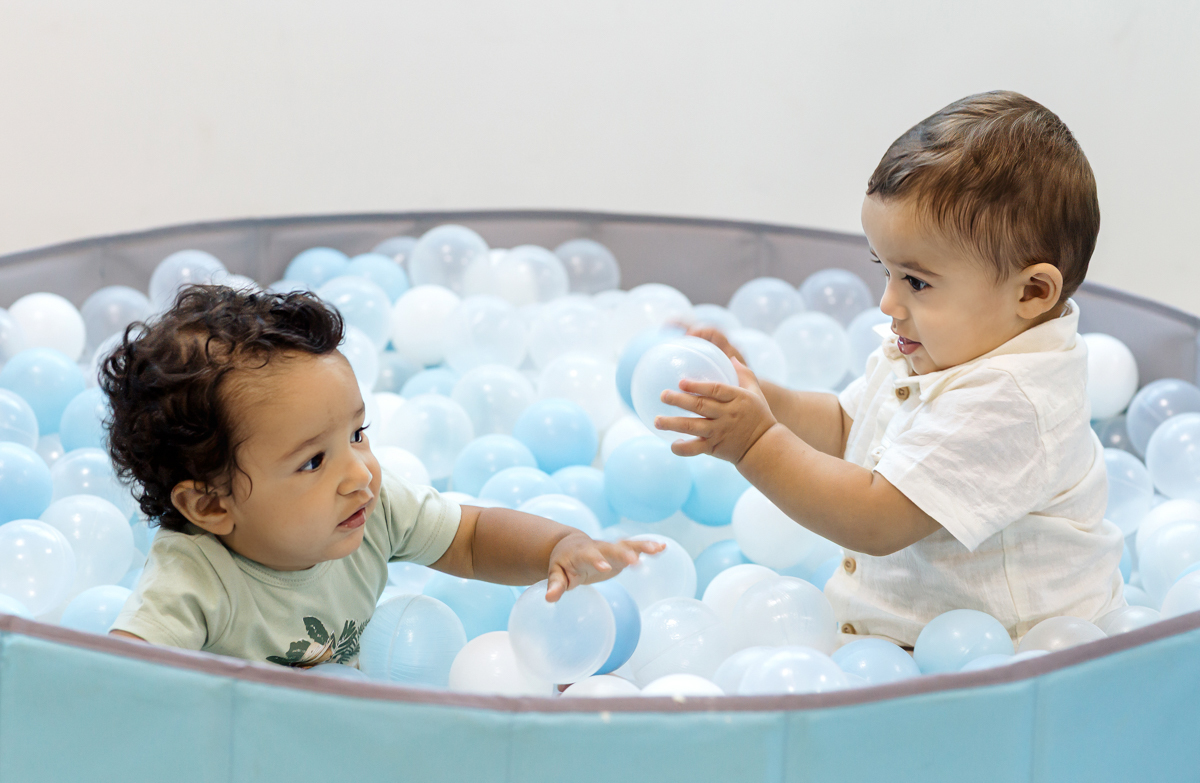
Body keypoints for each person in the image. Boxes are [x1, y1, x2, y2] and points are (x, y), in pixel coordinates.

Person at [660, 91, 1124, 647]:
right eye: (885, 270)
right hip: (913, 645)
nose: (888, 303)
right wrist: (761, 396)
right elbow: (845, 425)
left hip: (1003, 662)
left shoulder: (1013, 400)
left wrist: (754, 443)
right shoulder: (937, 349)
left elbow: (877, 519)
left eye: (917, 281)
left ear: (1031, 291)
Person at [103, 285, 660, 668]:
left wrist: (557, 546)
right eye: (313, 461)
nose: (359, 474)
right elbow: (125, 682)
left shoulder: (372, 507)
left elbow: (470, 538)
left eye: (356, 433)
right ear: (212, 507)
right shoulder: (193, 581)